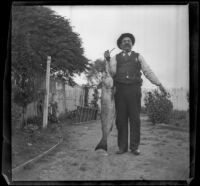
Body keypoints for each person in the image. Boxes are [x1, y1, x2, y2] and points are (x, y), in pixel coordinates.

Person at [104, 33, 167, 155]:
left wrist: (159, 84)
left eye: (129, 41)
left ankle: (134, 147)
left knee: (135, 119)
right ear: (121, 45)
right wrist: (107, 59)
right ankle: (122, 147)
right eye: (124, 41)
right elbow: (111, 73)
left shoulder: (138, 57)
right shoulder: (115, 58)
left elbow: (148, 71)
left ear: (132, 44)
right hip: (120, 92)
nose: (127, 42)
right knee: (121, 120)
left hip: (134, 90)